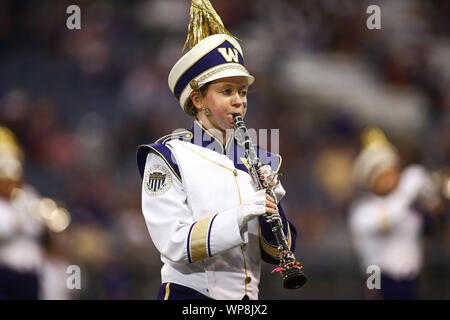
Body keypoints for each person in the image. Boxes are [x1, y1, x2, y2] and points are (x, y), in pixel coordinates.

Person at [136, 0, 300, 300]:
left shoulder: (259, 161)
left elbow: (278, 256)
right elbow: (173, 242)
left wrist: (272, 211)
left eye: (242, 91)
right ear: (197, 100)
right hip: (190, 297)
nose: (239, 101)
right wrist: (239, 215)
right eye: (226, 91)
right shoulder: (168, 157)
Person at [348, 127, 444, 300]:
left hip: (411, 278)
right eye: (383, 175)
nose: (391, 178)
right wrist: (408, 191)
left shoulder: (407, 202)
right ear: (371, 180)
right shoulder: (363, 210)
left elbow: (432, 226)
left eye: (393, 171)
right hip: (376, 277)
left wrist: (432, 198)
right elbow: (387, 220)